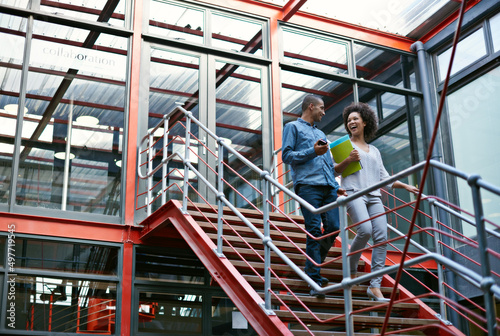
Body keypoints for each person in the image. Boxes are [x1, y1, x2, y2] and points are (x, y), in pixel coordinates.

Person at [334, 102, 418, 302]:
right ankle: (351, 266)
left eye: (355, 119)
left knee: (381, 237)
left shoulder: (375, 150)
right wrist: (348, 160)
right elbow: (334, 171)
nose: (351, 122)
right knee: (365, 230)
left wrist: (405, 186)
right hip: (354, 193)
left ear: (364, 122)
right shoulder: (344, 145)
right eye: (348, 120)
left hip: (374, 196)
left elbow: (384, 178)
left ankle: (375, 286)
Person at [282, 94, 346, 298]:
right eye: (321, 108)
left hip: (328, 187)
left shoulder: (321, 133)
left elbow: (328, 164)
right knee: (313, 230)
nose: (324, 112)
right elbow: (287, 156)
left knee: (334, 228)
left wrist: (337, 186)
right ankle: (314, 278)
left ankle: (313, 265)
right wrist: (312, 151)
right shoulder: (292, 127)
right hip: (308, 186)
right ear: (311, 107)